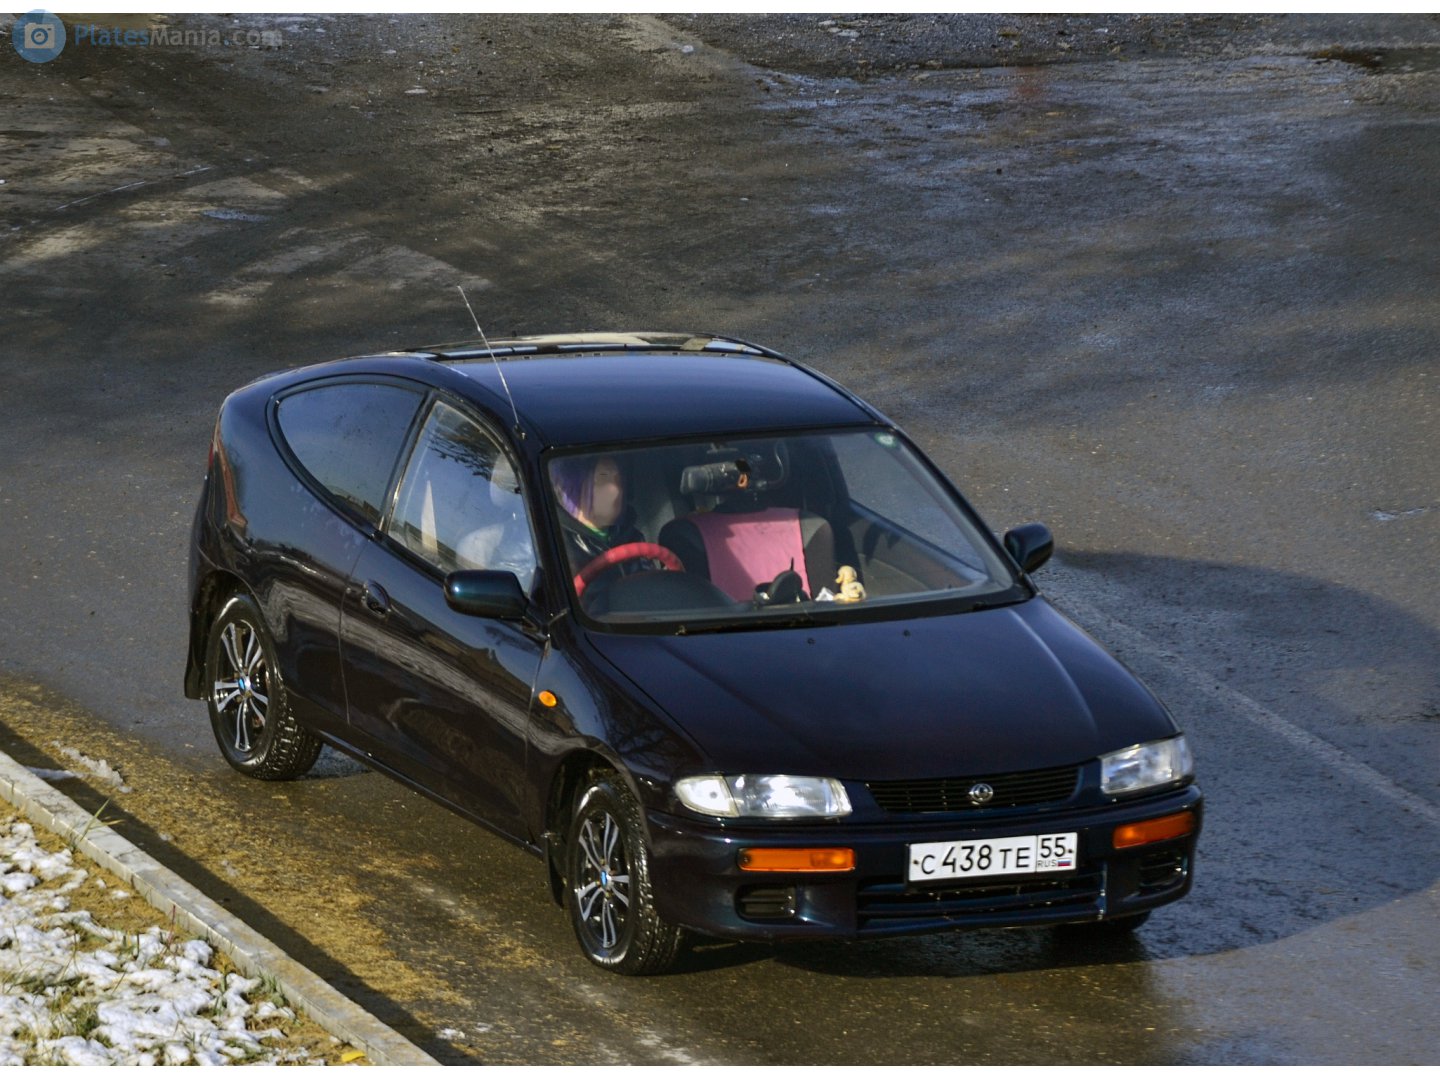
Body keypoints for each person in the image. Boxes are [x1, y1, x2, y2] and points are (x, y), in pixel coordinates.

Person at [549, 455, 644, 581]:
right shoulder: (554, 548)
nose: (616, 489)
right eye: (603, 480)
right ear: (575, 486)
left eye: (618, 479)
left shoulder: (633, 537)